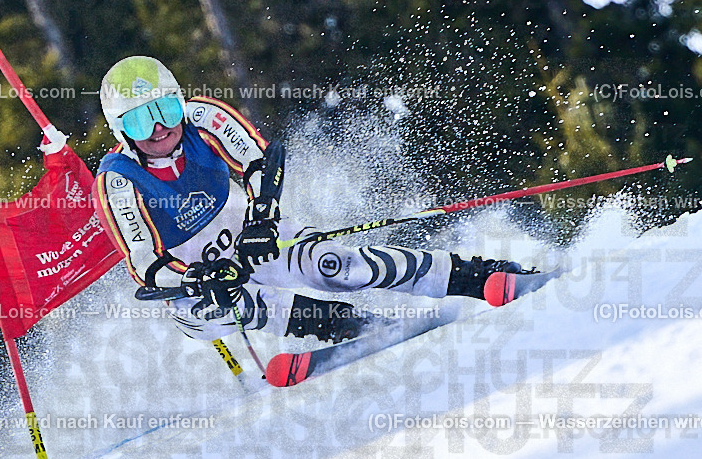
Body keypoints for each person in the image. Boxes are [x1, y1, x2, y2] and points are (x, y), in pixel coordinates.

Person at [91, 56, 537, 343]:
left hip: (243, 231)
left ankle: (477, 276)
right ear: (119, 130)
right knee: (220, 312)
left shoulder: (203, 116)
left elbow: (263, 161)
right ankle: (350, 328)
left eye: (165, 110)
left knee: (332, 265)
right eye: (139, 122)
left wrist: (261, 220)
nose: (159, 129)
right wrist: (199, 278)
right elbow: (146, 266)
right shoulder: (116, 180)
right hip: (193, 277)